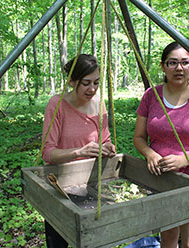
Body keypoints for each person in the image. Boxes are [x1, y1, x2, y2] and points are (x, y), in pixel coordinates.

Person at [133, 42, 189, 248]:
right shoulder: (151, 96)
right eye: (172, 63)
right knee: (168, 239)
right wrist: (150, 154)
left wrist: (184, 159)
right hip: (161, 180)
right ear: (163, 66)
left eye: (185, 62)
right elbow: (138, 137)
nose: (179, 68)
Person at [41, 53, 116, 248]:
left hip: (90, 182)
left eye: (96, 83)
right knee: (59, 241)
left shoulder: (99, 103)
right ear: (72, 81)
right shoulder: (56, 104)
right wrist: (78, 151)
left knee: (92, 240)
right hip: (60, 185)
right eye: (86, 83)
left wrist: (108, 147)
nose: (92, 89)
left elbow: (105, 139)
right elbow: (48, 153)